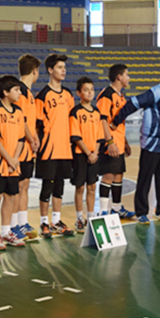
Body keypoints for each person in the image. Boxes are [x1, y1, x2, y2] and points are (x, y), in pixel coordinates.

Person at [111, 63, 160, 223]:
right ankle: (141, 212)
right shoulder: (156, 92)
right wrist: (116, 120)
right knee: (145, 179)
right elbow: (133, 103)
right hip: (151, 143)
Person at [35, 53, 76, 238]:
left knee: (60, 185)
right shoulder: (42, 95)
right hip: (48, 149)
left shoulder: (68, 95)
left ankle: (57, 220)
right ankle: (44, 222)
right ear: (50, 70)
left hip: (65, 148)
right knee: (47, 185)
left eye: (64, 67)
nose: (63, 70)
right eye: (59, 67)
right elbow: (37, 124)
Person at [0, 75, 28, 250]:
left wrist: (15, 159)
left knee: (11, 196)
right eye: (16, 89)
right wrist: (9, 158)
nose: (19, 93)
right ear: (5, 92)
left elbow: (21, 138)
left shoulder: (18, 112)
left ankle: (6, 231)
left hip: (13, 164)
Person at [96, 63, 135, 219]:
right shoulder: (107, 94)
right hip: (109, 144)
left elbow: (119, 122)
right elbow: (102, 120)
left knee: (118, 175)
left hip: (118, 143)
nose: (128, 77)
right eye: (127, 74)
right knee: (108, 176)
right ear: (119, 77)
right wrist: (109, 142)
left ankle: (117, 208)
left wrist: (124, 142)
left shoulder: (121, 96)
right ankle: (104, 211)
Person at [12, 54, 41, 240]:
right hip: (19, 146)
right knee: (17, 186)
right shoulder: (20, 91)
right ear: (34, 71)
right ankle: (13, 225)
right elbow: (20, 120)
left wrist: (35, 137)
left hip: (28, 147)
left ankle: (22, 223)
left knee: (25, 185)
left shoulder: (29, 93)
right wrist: (31, 138)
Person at [69, 76, 104, 230]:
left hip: (94, 155)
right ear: (79, 93)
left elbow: (99, 136)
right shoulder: (75, 112)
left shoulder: (97, 112)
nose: (89, 93)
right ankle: (79, 218)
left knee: (92, 187)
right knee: (80, 187)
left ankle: (91, 217)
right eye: (85, 90)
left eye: (91, 90)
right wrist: (88, 153)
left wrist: (95, 152)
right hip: (80, 155)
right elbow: (76, 136)